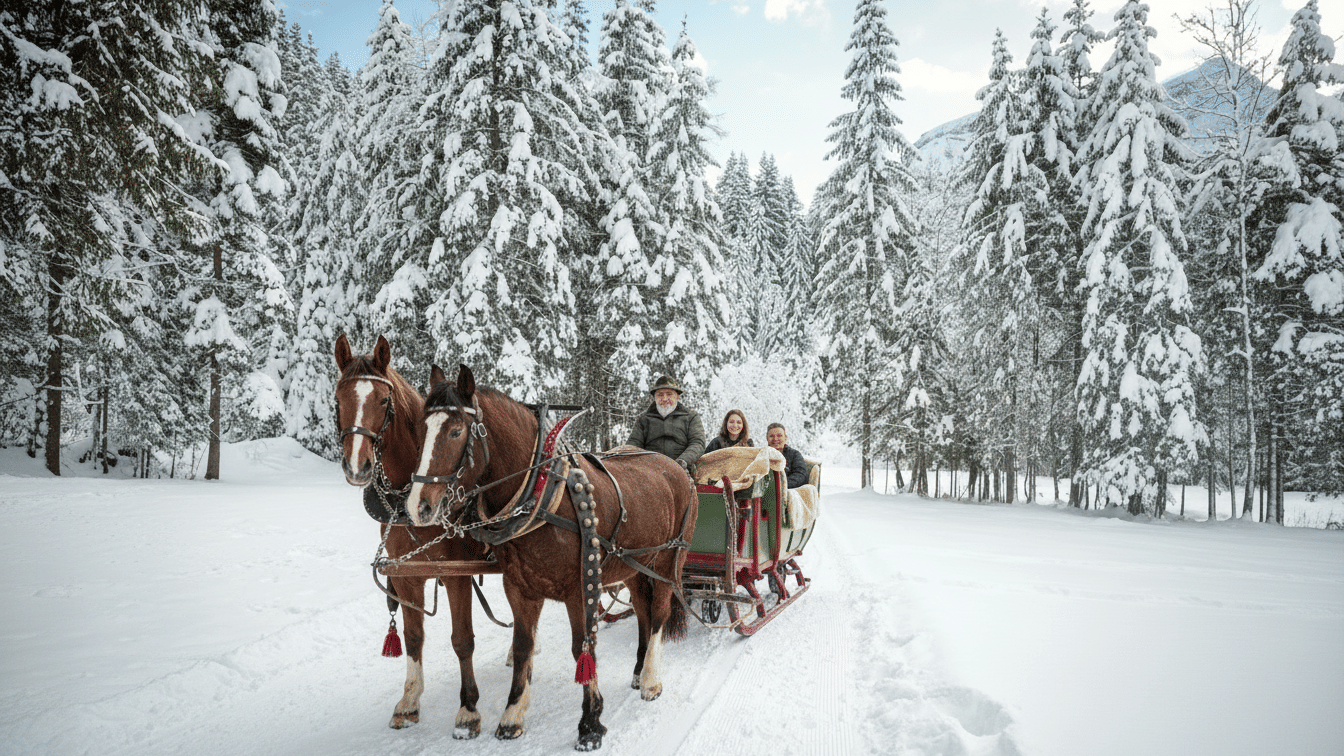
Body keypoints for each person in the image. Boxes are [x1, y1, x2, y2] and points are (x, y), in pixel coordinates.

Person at [625, 375, 705, 474]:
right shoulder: (644, 419)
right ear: (654, 397)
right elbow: (633, 444)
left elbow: (698, 443)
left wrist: (682, 462)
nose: (665, 398)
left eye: (669, 394)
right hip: (649, 470)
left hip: (682, 470)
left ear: (677, 396)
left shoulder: (691, 417)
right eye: (660, 395)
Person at [766, 422, 808, 489]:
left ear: (785, 437)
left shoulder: (794, 454)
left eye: (779, 436)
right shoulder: (762, 455)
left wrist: (779, 485)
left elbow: (800, 475)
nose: (775, 439)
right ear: (767, 438)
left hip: (787, 490)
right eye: (771, 436)